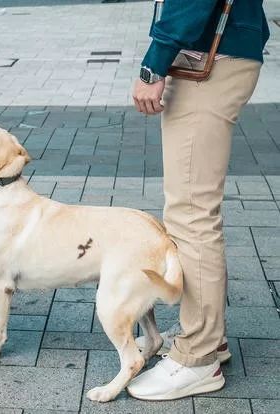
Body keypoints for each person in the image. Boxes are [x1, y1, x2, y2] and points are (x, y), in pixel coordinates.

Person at [127, 0, 269, 400]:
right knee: (193, 211)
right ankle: (209, 337)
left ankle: (198, 357)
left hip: (211, 55)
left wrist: (154, 62)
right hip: (220, 48)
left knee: (191, 214)